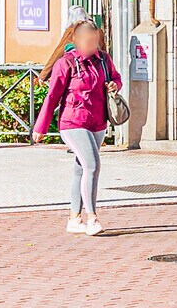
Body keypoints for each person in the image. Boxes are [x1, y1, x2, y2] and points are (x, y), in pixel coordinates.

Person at [33, 20, 122, 237]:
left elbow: (116, 78)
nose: (93, 45)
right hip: (73, 122)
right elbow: (52, 96)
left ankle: (74, 218)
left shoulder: (103, 60)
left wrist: (114, 85)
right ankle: (91, 217)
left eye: (96, 40)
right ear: (77, 40)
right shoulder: (66, 63)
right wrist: (41, 127)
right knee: (92, 165)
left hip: (98, 122)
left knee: (81, 169)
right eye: (88, 41)